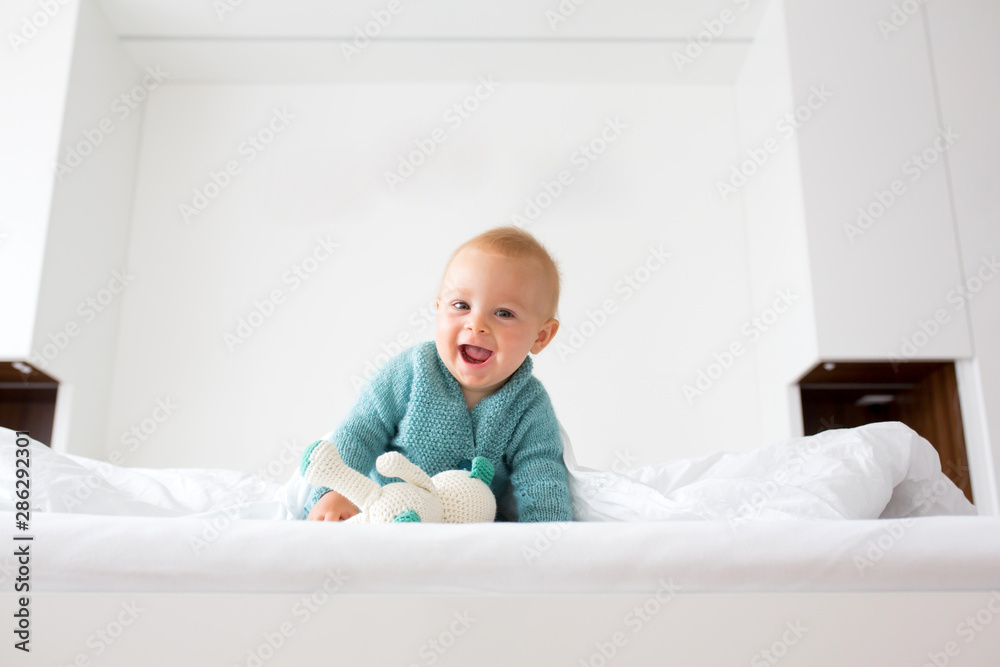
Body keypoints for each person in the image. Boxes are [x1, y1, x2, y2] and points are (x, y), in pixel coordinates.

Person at [300, 225, 573, 522]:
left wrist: (549, 538)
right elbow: (359, 433)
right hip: (388, 515)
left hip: (468, 529)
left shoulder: (530, 406)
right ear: (439, 310)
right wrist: (335, 493)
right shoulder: (411, 372)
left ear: (541, 337)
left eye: (504, 313)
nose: (476, 324)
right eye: (461, 305)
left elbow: (542, 477)